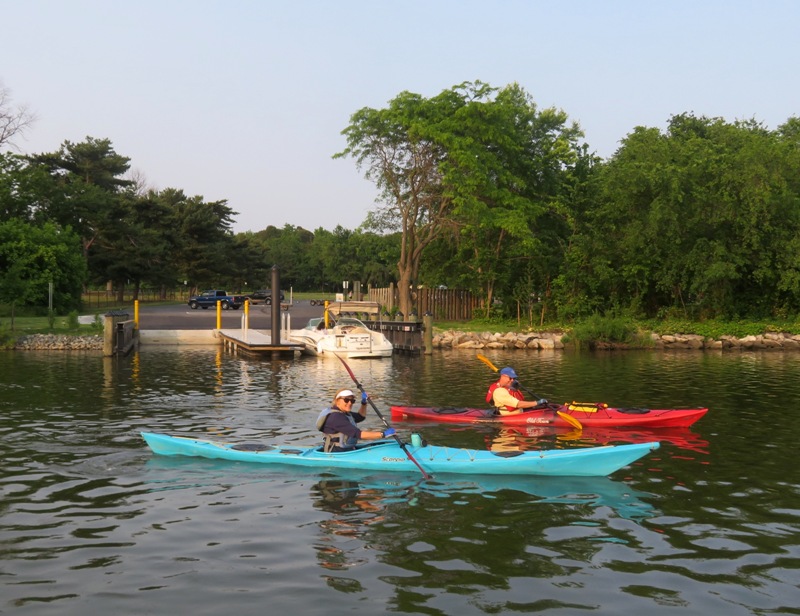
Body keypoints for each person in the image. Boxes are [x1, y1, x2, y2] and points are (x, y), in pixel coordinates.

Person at [316, 388, 396, 451]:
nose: (350, 403)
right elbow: (358, 434)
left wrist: (364, 403)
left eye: (352, 401)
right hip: (336, 452)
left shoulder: (344, 413)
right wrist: (383, 434)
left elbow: (361, 416)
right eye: (346, 400)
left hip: (346, 449)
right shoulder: (336, 417)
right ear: (337, 401)